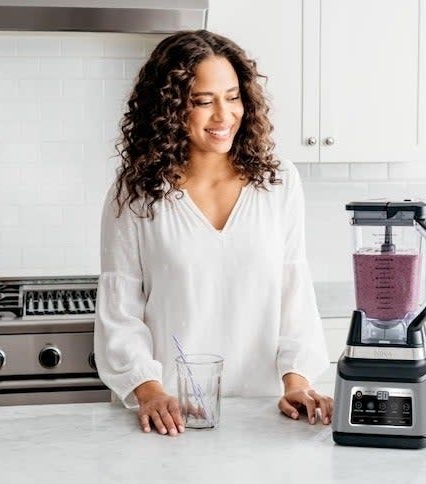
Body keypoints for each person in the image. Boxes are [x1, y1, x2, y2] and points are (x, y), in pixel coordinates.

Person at [94, 30, 332, 437]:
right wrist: (149, 392)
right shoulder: (136, 194)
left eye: (233, 96)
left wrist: (297, 381)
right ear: (169, 109)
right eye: (203, 102)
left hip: (264, 421)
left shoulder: (279, 183)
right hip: (170, 422)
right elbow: (120, 313)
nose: (224, 115)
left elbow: (295, 295)